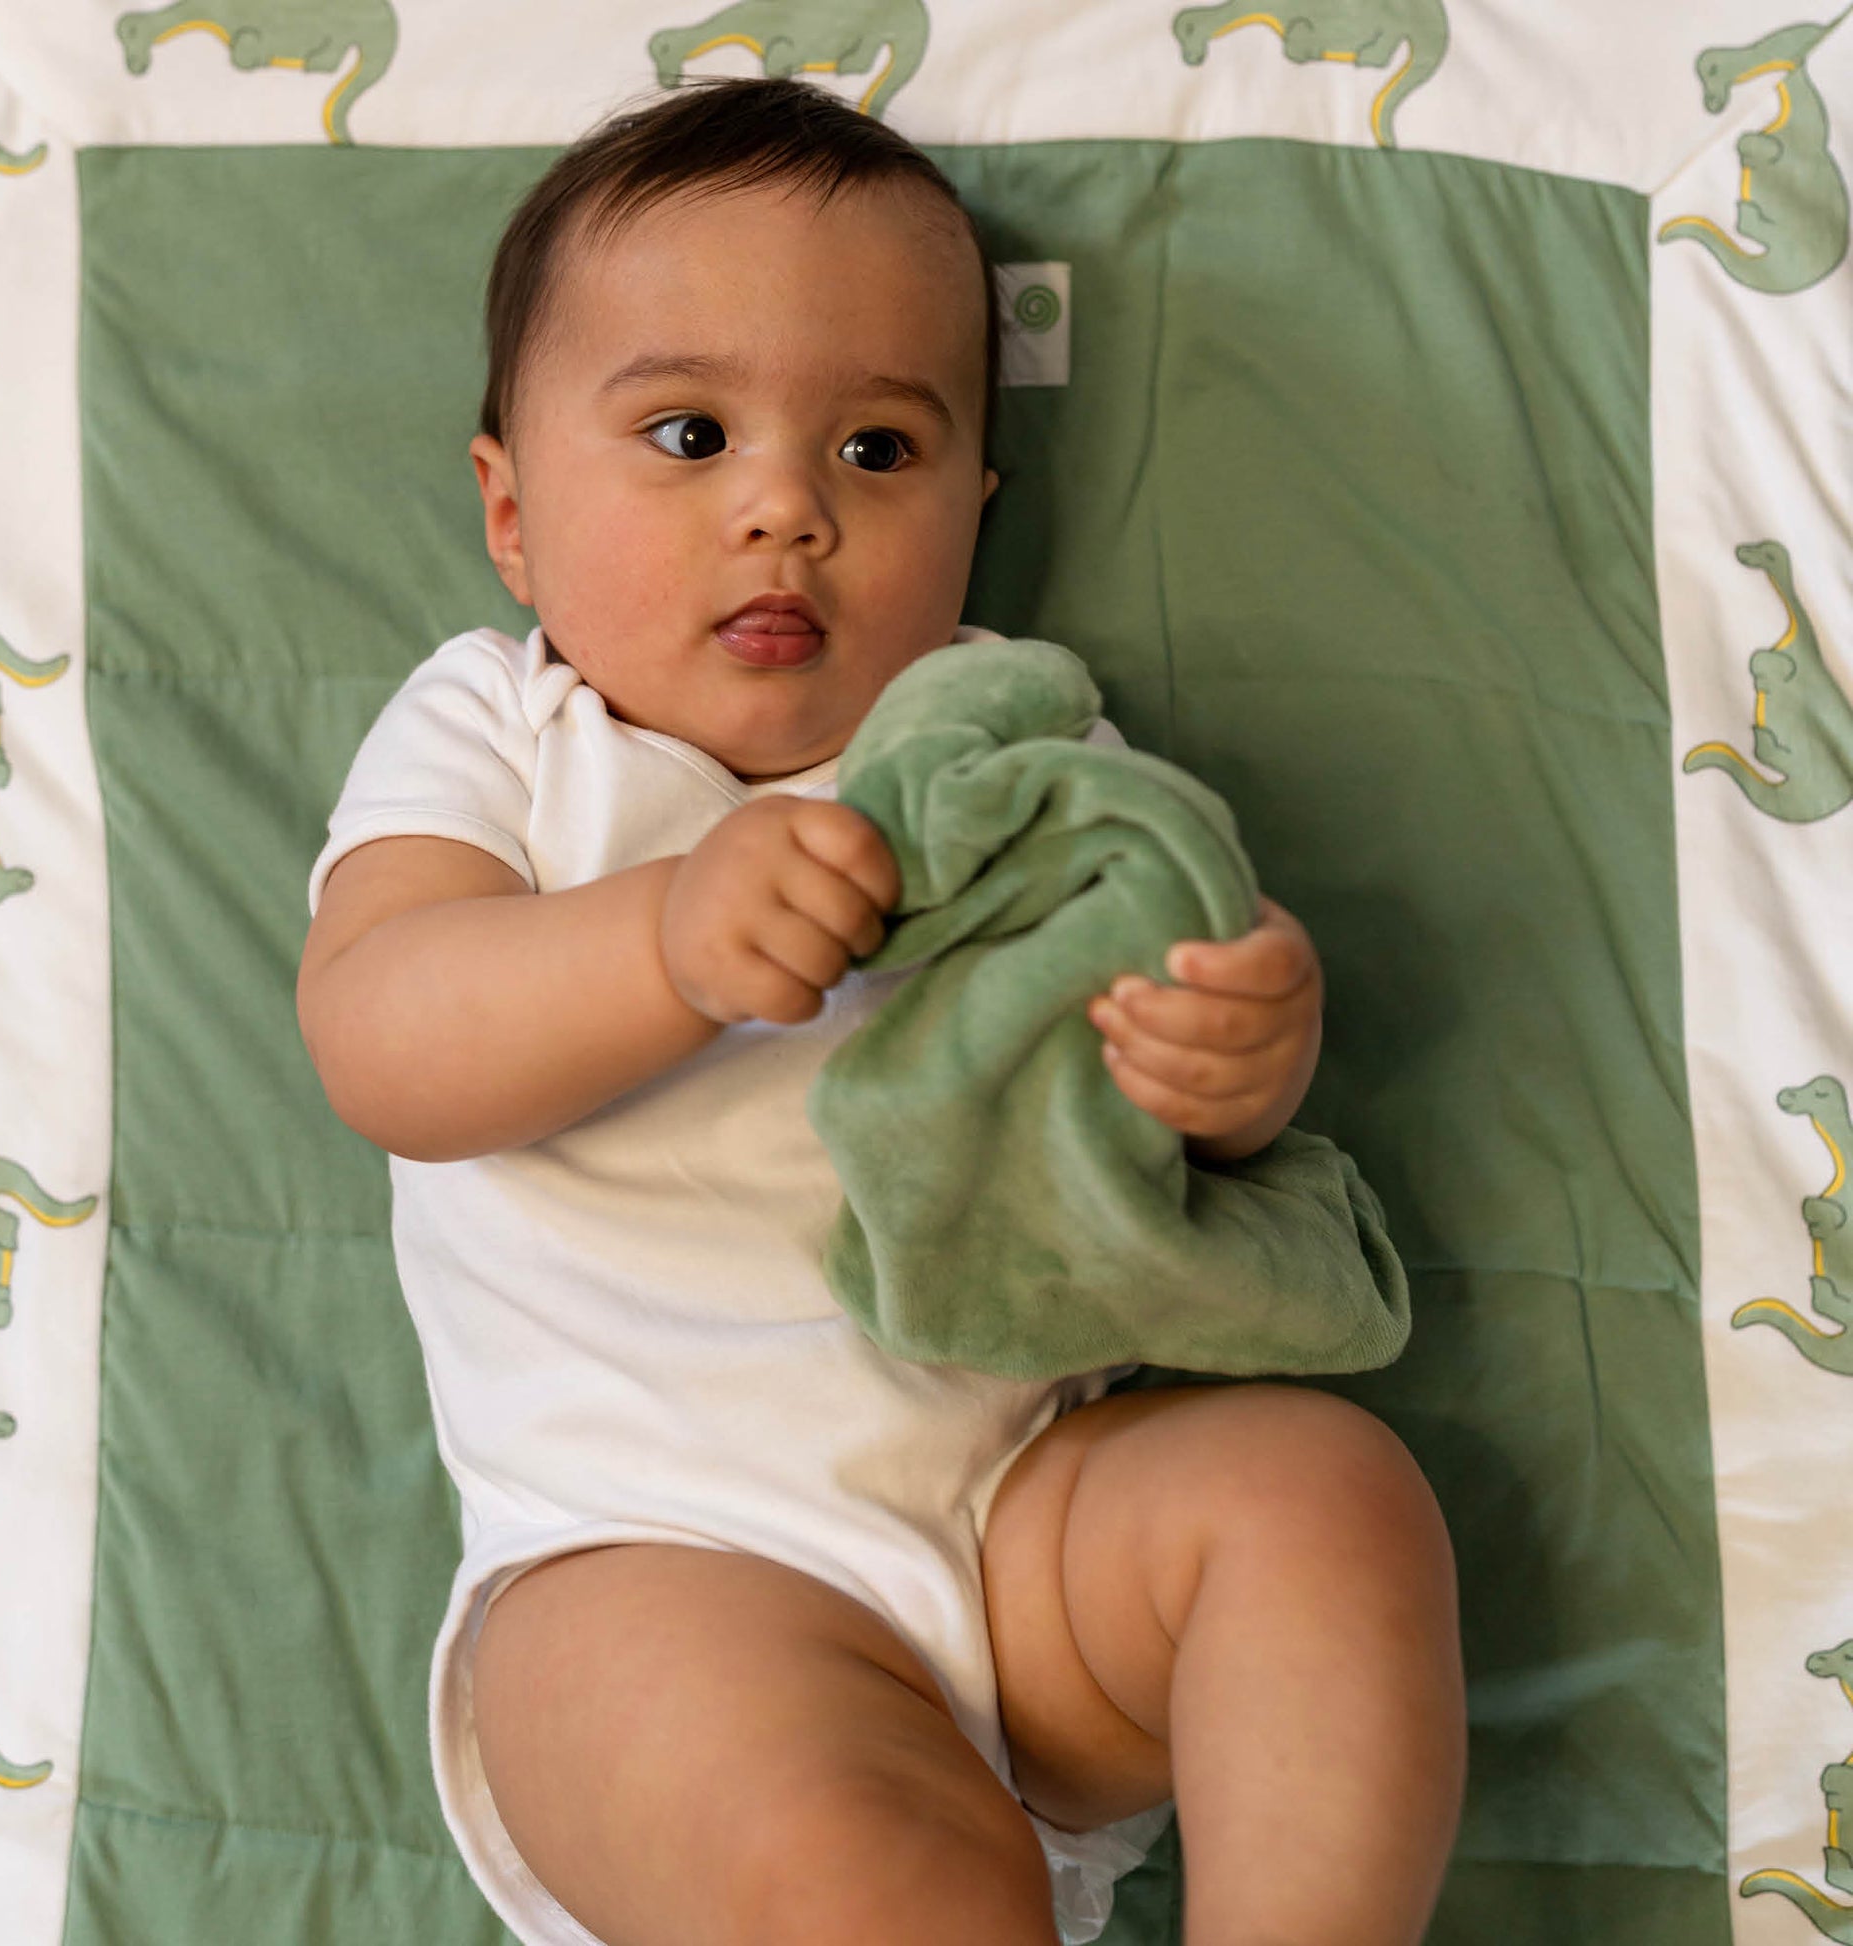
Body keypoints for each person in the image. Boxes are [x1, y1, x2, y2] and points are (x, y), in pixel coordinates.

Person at [296, 75, 1464, 1946]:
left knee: (1319, 1494)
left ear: (974, 510)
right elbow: (383, 1035)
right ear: (511, 513)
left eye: (877, 449)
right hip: (655, 1568)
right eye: (688, 433)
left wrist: (1237, 1056)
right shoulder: (504, 731)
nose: (786, 507)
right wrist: (665, 938)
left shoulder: (1008, 739)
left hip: (1027, 1530)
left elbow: (1134, 1059)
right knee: (873, 1879)